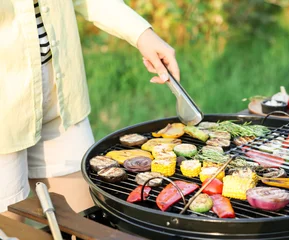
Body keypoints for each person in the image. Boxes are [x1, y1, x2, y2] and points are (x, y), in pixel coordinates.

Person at [0, 0, 180, 219]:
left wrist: (142, 34)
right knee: (8, 228)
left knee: (86, 219)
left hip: (62, 92)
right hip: (4, 103)